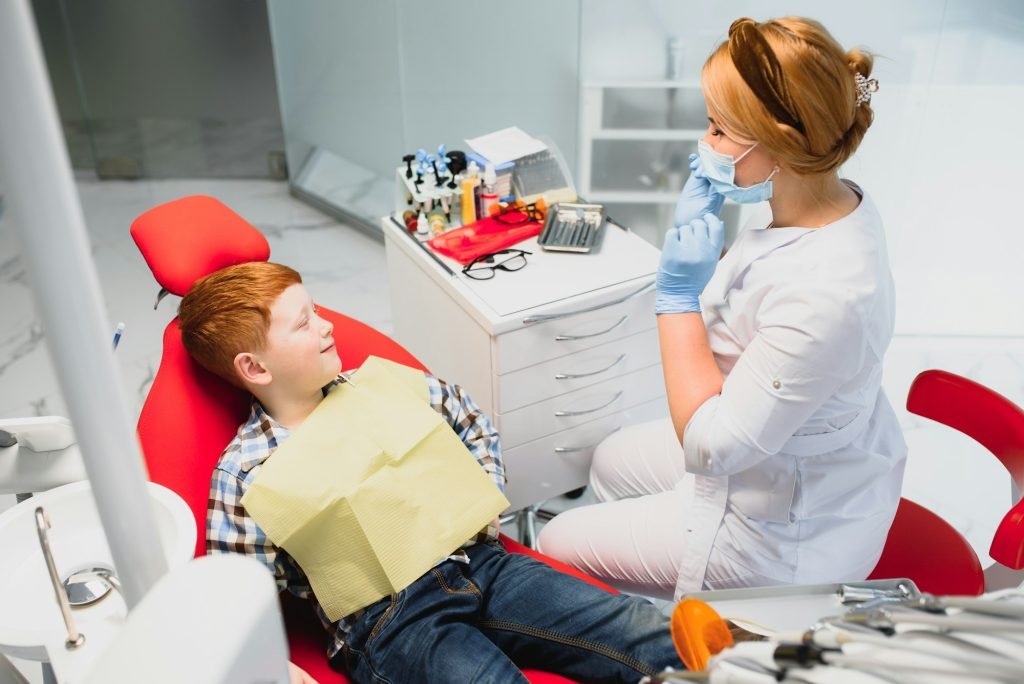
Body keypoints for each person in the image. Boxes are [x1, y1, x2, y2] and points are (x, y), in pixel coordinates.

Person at [538, 16, 907, 600]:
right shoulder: (822, 197)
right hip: (766, 446)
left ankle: (664, 629)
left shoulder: (831, 296)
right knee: (607, 462)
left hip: (781, 532)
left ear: (782, 145)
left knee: (554, 544)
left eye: (717, 129)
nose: (703, 143)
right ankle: (642, 564)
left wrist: (677, 296)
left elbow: (710, 447)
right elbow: (765, 297)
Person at [177, 261, 683, 684]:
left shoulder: (384, 385)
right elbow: (241, 595)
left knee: (637, 628)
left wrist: (478, 501)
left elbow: (471, 423)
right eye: (304, 323)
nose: (327, 325)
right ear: (256, 369)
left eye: (317, 311)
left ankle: (750, 670)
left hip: (482, 561)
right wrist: (278, 669)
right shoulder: (247, 474)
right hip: (390, 620)